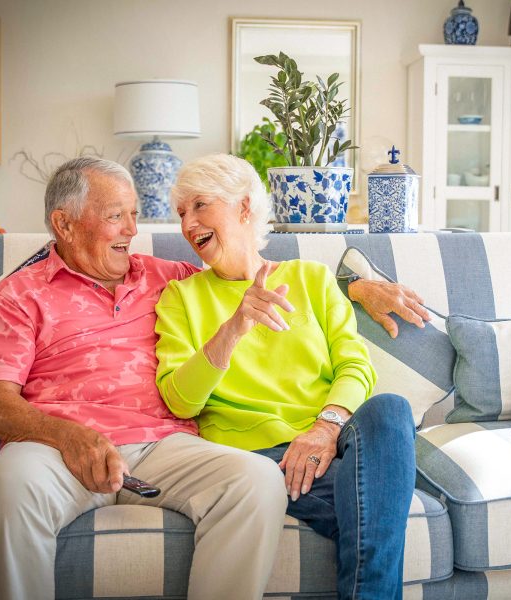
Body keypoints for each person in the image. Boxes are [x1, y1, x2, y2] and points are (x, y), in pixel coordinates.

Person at [0, 157, 290, 600]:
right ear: (64, 224)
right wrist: (70, 437)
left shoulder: (168, 278)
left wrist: (359, 285)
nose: (131, 230)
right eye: (116, 216)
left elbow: (258, 276)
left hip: (164, 445)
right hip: (56, 452)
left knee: (257, 479)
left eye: (134, 215)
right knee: (4, 486)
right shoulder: (19, 295)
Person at [155, 154, 418, 600]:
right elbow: (181, 401)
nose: (187, 224)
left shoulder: (310, 279)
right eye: (181, 213)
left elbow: (356, 366)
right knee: (373, 506)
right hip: (256, 460)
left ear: (243, 208)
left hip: (331, 443)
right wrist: (234, 327)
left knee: (390, 411)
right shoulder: (181, 297)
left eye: (201, 205)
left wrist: (325, 427)